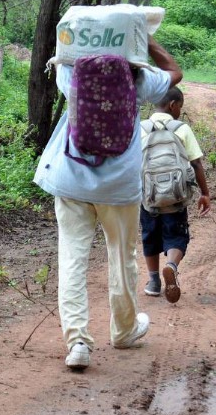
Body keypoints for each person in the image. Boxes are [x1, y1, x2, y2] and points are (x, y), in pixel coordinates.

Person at [33, 36, 183, 371]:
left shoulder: (74, 75)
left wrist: (78, 36)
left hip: (71, 179)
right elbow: (175, 72)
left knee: (72, 258)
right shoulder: (139, 80)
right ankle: (124, 331)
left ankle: (78, 343)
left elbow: (62, 50)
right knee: (121, 256)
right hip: (118, 186)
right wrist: (146, 38)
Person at [140, 86, 211, 303]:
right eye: (180, 106)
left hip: (149, 197)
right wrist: (205, 193)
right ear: (173, 105)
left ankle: (153, 281)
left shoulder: (140, 128)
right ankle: (171, 265)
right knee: (177, 236)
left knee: (149, 236)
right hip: (176, 197)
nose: (180, 111)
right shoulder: (181, 128)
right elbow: (196, 163)